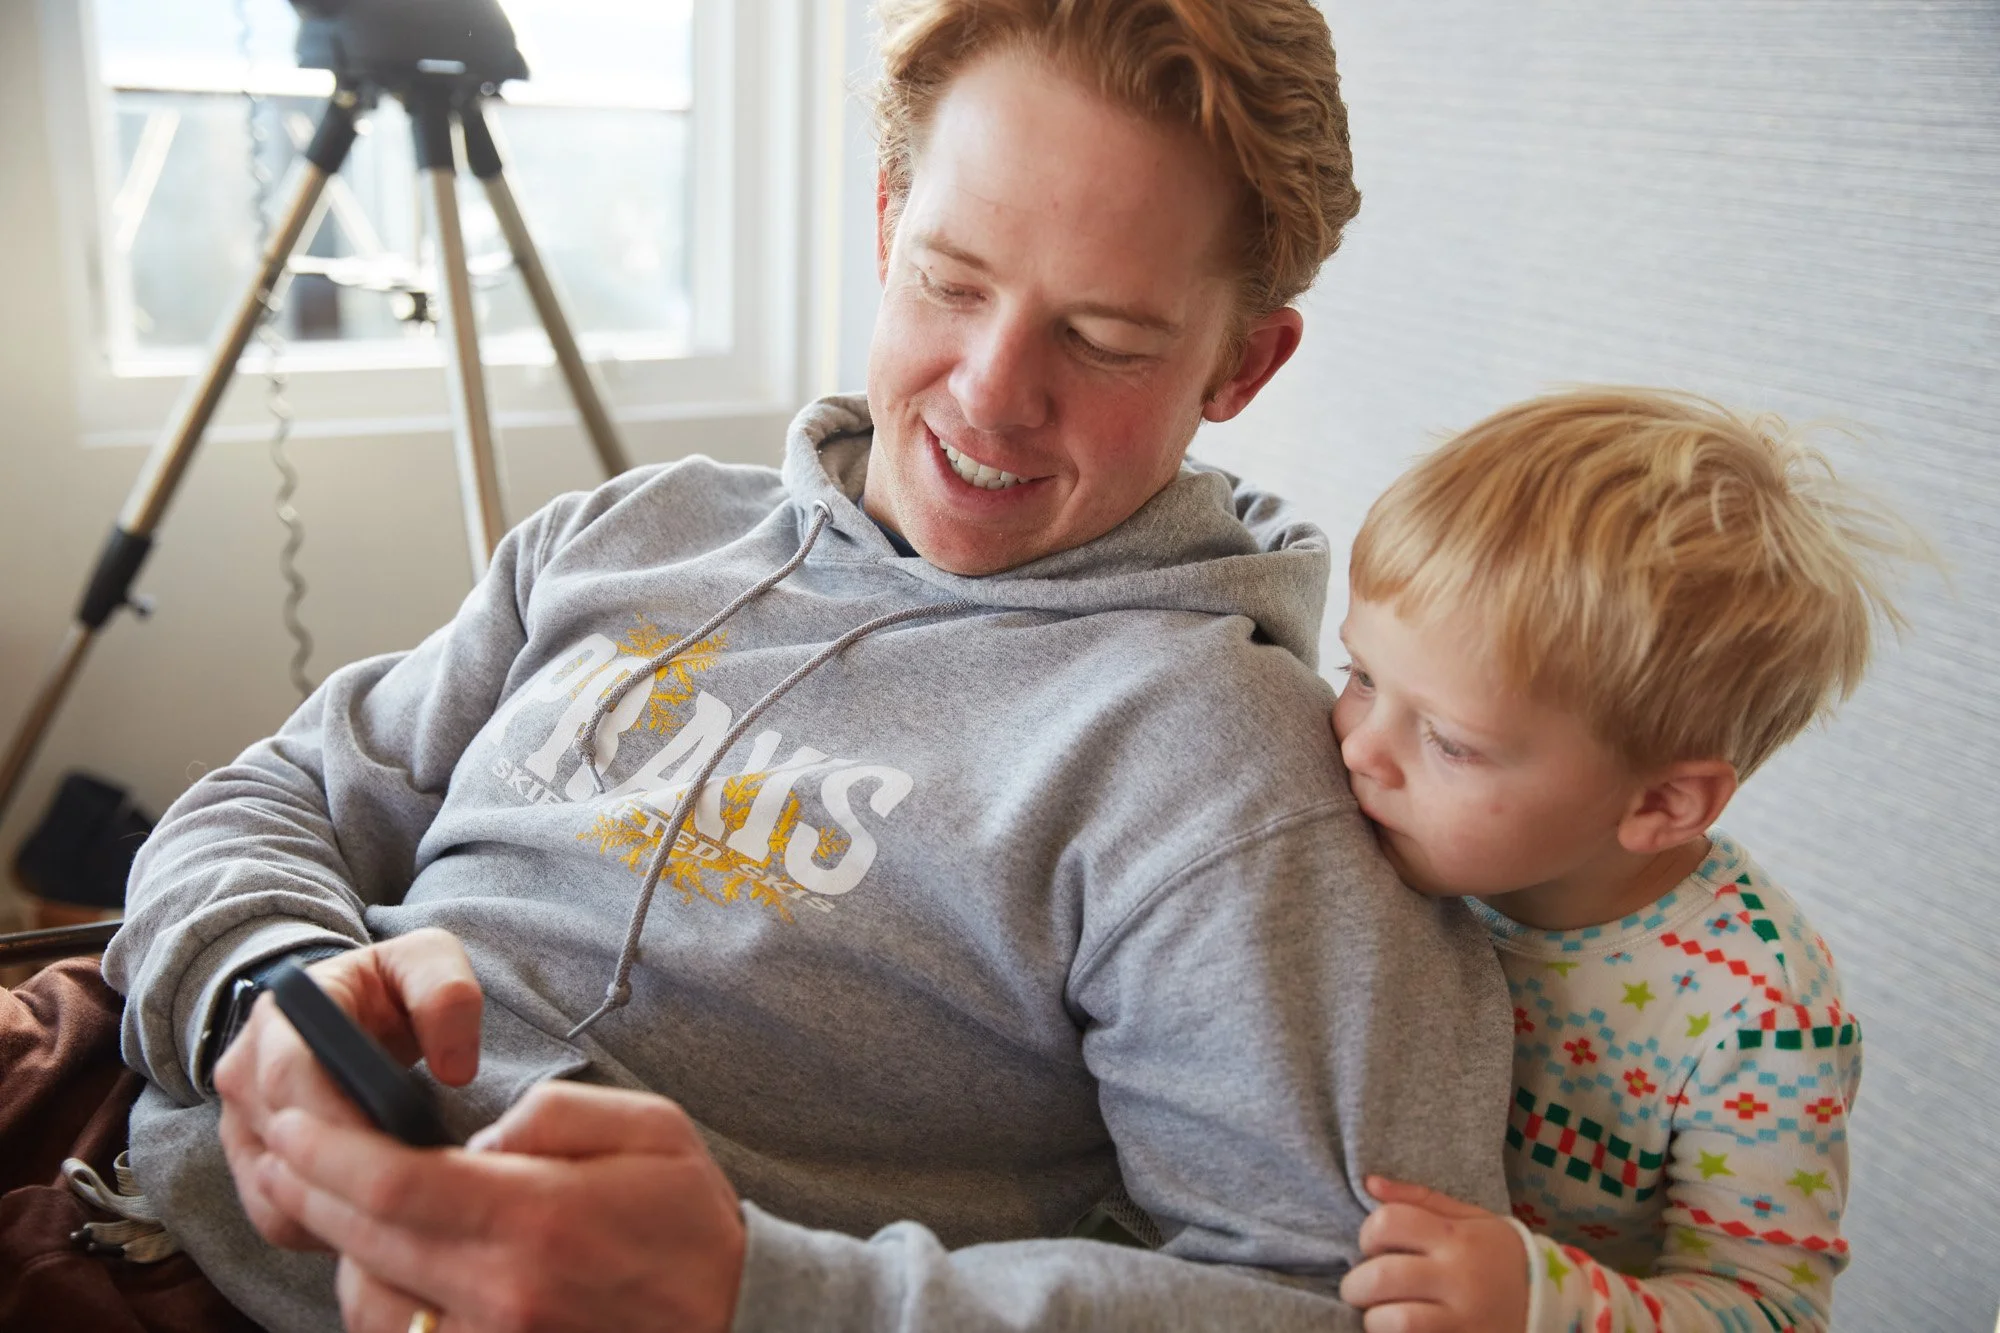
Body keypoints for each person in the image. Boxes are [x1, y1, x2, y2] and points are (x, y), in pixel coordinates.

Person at [88, 2, 1514, 1329]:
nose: (990, 394)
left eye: (1103, 338)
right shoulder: (633, 531)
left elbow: (1327, 1299)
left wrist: (755, 1291)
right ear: (890, 224)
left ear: (1240, 369)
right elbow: (278, 793)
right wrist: (260, 988)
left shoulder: (1219, 765)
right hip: (124, 1143)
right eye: (951, 283)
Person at [1324, 389, 1917, 1331]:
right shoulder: (1375, 821)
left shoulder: (1758, 1014)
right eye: (1360, 675)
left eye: (1450, 739)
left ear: (1660, 803)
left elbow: (1773, 1310)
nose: (1359, 746)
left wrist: (1541, 1301)